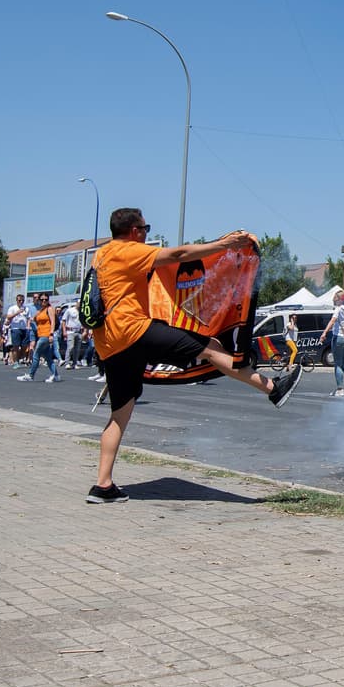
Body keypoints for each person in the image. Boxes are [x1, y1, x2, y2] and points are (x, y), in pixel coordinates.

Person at [87, 207, 303, 504]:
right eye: (146, 228)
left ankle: (102, 485)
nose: (147, 234)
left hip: (109, 344)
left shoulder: (101, 254)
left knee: (118, 416)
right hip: (133, 331)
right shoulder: (129, 251)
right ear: (135, 231)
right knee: (210, 348)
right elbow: (179, 256)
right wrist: (226, 245)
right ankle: (272, 389)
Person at [318, 291, 344, 397]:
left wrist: (324, 332)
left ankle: (340, 389)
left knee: (338, 364)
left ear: (339, 299)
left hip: (339, 337)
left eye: (335, 299)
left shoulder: (339, 309)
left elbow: (332, 321)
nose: (334, 300)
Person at [17, 294, 60, 383]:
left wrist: (51, 334)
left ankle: (31, 375)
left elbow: (53, 322)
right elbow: (33, 318)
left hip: (46, 335)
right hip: (41, 335)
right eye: (42, 299)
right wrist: (27, 316)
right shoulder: (40, 310)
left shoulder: (50, 309)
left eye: (46, 299)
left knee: (36, 355)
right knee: (48, 358)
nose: (44, 301)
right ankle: (56, 375)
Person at [4, 294, 30, 367]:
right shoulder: (12, 308)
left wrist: (28, 327)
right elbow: (8, 317)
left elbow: (28, 318)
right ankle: (16, 362)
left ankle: (19, 358)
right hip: (15, 329)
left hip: (24, 329)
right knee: (16, 346)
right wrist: (17, 313)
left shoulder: (26, 308)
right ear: (16, 300)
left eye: (22, 300)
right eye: (19, 300)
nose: (21, 302)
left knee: (24, 346)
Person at [61, 302, 83, 369]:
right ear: (76, 303)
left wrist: (85, 331)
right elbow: (63, 321)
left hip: (79, 331)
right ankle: (67, 363)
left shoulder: (82, 311)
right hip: (70, 331)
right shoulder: (69, 310)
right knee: (70, 347)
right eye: (79, 303)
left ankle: (75, 363)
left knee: (77, 349)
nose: (80, 304)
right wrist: (64, 331)